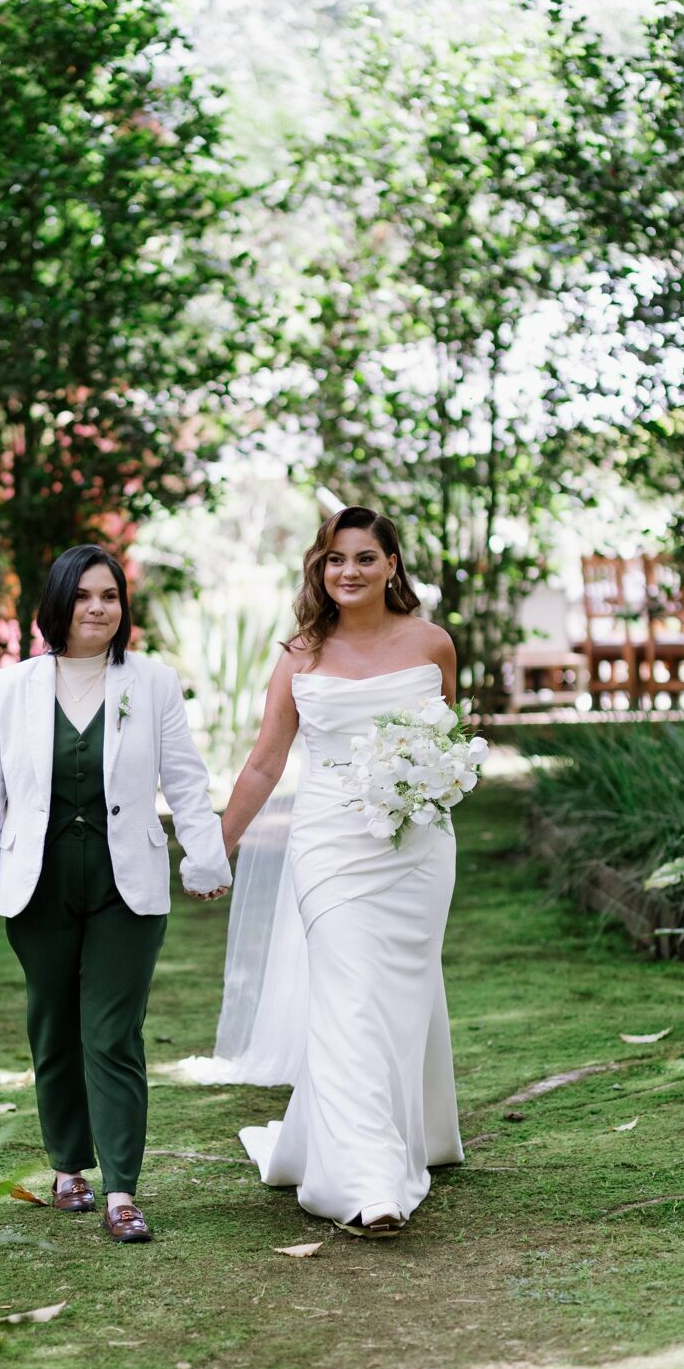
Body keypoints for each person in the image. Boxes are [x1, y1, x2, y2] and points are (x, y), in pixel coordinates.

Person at [0, 546, 230, 1242]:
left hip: (125, 884)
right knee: (52, 1028)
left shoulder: (152, 681)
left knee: (111, 1034)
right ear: (57, 604)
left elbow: (186, 779)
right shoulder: (12, 688)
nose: (99, 607)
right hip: (38, 883)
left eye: (109, 595)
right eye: (83, 596)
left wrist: (206, 855)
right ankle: (67, 1167)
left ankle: (122, 1192)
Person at [218, 506, 463, 1237]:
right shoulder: (299, 654)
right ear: (318, 572)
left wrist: (433, 784)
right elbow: (265, 761)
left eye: (363, 557)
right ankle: (368, 1181)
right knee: (347, 999)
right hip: (328, 843)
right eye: (333, 560)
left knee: (397, 998)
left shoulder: (432, 643)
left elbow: (445, 744)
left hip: (417, 848)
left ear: (391, 565)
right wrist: (215, 845)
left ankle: (403, 1133)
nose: (347, 571)